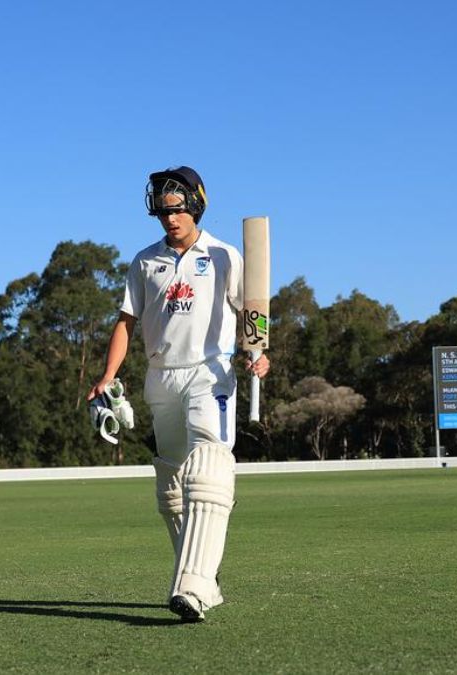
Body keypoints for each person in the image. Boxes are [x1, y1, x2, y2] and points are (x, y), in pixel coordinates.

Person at [87, 166, 269, 623]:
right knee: (171, 484)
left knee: (207, 466)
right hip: (160, 376)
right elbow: (126, 323)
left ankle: (193, 585)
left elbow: (251, 311)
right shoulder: (145, 261)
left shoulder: (225, 256)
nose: (170, 220)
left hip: (210, 374)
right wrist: (108, 375)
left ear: (196, 206)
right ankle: (206, 575)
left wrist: (257, 353)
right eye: (163, 213)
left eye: (177, 210)